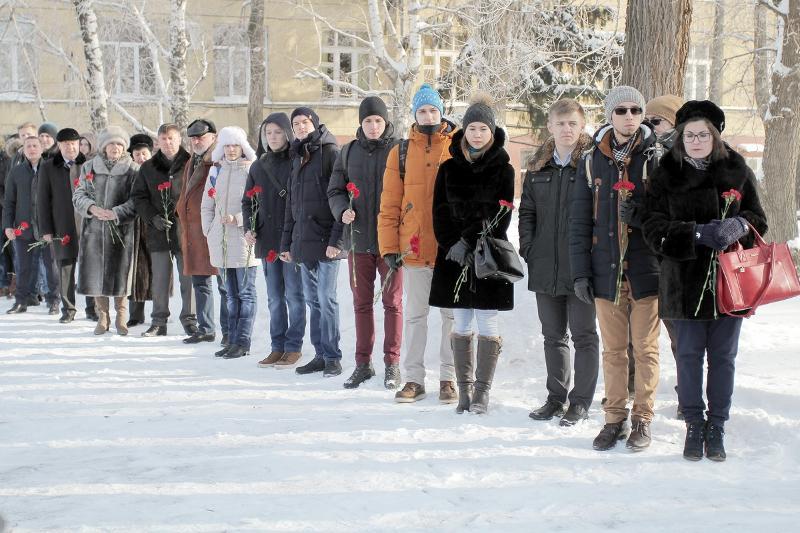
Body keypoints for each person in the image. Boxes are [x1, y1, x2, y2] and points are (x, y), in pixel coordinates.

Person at [642, 101, 767, 461]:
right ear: (681, 138)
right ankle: (694, 425)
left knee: (723, 357)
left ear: (715, 137)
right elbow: (652, 228)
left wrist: (739, 225)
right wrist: (696, 234)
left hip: (730, 283)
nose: (696, 141)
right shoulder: (665, 174)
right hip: (683, 282)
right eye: (690, 135)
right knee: (688, 356)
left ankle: (717, 426)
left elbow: (759, 218)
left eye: (703, 135)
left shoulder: (737, 170)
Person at [569, 86, 661, 452]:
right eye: (621, 110)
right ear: (610, 115)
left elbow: (669, 215)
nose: (629, 116)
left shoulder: (656, 157)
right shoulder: (591, 161)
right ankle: (613, 418)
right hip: (606, 272)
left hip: (646, 271)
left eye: (635, 110)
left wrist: (641, 216)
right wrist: (580, 272)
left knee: (646, 349)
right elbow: (579, 222)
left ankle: (643, 419)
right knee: (613, 351)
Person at [429, 96, 515, 414]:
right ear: (464, 131)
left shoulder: (504, 169)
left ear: (492, 132)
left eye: (483, 129)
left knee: (487, 319)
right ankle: (464, 392)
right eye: (472, 128)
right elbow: (438, 211)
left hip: (487, 255)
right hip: (454, 256)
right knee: (461, 319)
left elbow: (501, 214)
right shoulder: (448, 168)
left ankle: (482, 392)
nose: (477, 134)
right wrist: (452, 243)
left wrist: (470, 240)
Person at [521, 99, 600, 425]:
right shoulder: (537, 168)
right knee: (553, 336)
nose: (566, 129)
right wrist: (529, 248)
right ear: (550, 126)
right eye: (561, 123)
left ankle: (580, 402)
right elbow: (527, 212)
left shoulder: (593, 164)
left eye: (572, 124)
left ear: (582, 126)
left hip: (582, 267)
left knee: (584, 336)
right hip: (544, 264)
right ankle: (555, 398)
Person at [378, 83, 457, 404]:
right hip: (413, 249)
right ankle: (413, 379)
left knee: (452, 317)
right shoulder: (400, 152)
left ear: (441, 112)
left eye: (433, 110)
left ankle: (449, 378)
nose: (427, 116)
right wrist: (389, 247)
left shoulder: (457, 146)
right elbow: (389, 204)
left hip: (450, 250)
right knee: (415, 317)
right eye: (422, 111)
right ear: (414, 114)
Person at [327, 96, 402, 389]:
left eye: (378, 121)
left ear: (385, 122)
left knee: (392, 303)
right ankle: (363, 363)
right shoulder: (348, 152)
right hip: (358, 241)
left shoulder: (400, 150)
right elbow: (335, 190)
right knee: (361, 304)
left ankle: (392, 364)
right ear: (361, 123)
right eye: (368, 121)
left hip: (390, 243)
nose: (373, 126)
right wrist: (341, 210)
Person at [280, 107, 344, 378]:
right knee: (313, 300)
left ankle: (333, 357)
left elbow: (342, 198)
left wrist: (337, 240)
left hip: (328, 241)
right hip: (304, 242)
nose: (300, 127)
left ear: (315, 124)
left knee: (326, 299)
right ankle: (320, 354)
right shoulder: (297, 156)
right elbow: (292, 205)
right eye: (296, 124)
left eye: (305, 122)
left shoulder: (330, 152)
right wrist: (287, 243)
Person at [244, 113, 306, 368]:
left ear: (288, 134)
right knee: (274, 298)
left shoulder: (297, 161)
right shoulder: (258, 166)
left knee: (294, 295)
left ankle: (293, 347)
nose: (272, 137)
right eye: (268, 133)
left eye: (278, 132)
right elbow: (247, 201)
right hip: (268, 239)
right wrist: (249, 227)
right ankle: (277, 346)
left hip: (291, 240)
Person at [72, 125, 139, 335]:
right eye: (111, 143)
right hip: (94, 230)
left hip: (121, 230)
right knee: (95, 273)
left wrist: (116, 213)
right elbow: (78, 195)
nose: (115, 147)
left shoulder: (133, 169)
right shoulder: (89, 167)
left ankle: (121, 315)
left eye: (119, 144)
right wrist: (91, 208)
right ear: (103, 146)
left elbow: (137, 200)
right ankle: (102, 316)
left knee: (122, 272)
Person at [132, 123, 196, 337]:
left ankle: (190, 319)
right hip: (158, 232)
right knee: (159, 279)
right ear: (158, 141)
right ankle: (159, 321)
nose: (167, 143)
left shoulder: (191, 163)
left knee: (188, 279)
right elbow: (139, 197)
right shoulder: (148, 167)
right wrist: (152, 218)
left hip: (185, 232)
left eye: (171, 138)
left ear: (179, 139)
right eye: (163, 139)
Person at [201, 126, 259, 359]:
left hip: (244, 239)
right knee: (230, 295)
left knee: (245, 293)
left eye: (235, 145)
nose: (231, 150)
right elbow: (207, 205)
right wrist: (209, 229)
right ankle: (232, 340)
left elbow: (258, 205)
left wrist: (238, 219)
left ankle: (243, 341)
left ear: (243, 147)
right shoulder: (216, 171)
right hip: (221, 240)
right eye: (227, 145)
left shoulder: (252, 170)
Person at [177, 119, 229, 346]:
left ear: (214, 137)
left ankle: (229, 330)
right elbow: (185, 192)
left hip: (216, 229)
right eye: (193, 138)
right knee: (200, 282)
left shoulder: (219, 160)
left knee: (225, 285)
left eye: (201, 137)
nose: (196, 141)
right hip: (194, 230)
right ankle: (206, 328)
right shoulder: (192, 161)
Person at [36, 128, 86, 323]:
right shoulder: (48, 167)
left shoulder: (88, 164)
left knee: (88, 267)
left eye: (73, 144)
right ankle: (68, 309)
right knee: (65, 267)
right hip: (61, 224)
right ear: (59, 146)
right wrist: (46, 229)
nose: (70, 147)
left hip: (86, 224)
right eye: (66, 144)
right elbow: (42, 200)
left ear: (79, 144)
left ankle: (92, 308)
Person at [3, 136, 54, 313]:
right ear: (23, 150)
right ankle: (21, 301)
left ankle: (54, 300)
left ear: (42, 149)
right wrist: (8, 226)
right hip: (23, 228)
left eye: (35, 146)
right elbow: (9, 201)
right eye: (28, 146)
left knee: (51, 266)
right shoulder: (16, 171)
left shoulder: (50, 169)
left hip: (46, 228)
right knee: (22, 267)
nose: (32, 149)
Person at [126, 133, 155, 328]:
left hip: (153, 225)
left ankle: (160, 312)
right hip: (133, 226)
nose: (141, 157)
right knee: (135, 271)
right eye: (137, 154)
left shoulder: (157, 170)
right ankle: (135, 314)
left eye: (144, 153)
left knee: (157, 271)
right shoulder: (128, 172)